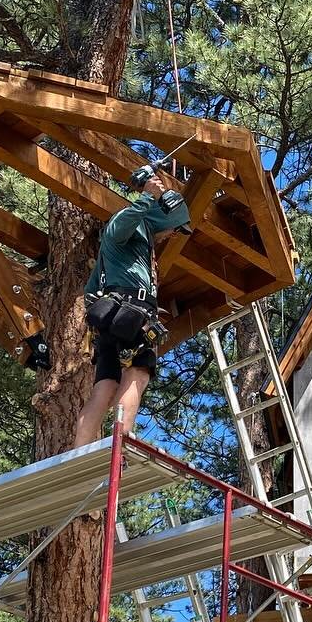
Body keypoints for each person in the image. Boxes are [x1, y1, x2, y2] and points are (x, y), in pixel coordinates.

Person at [74, 168, 192, 448]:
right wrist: (147, 197)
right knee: (138, 372)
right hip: (131, 311)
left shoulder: (113, 258)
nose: (170, 235)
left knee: (105, 384)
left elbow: (91, 290)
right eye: (170, 230)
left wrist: (161, 193)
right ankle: (120, 445)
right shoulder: (125, 226)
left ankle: (79, 452)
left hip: (110, 317)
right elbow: (121, 225)